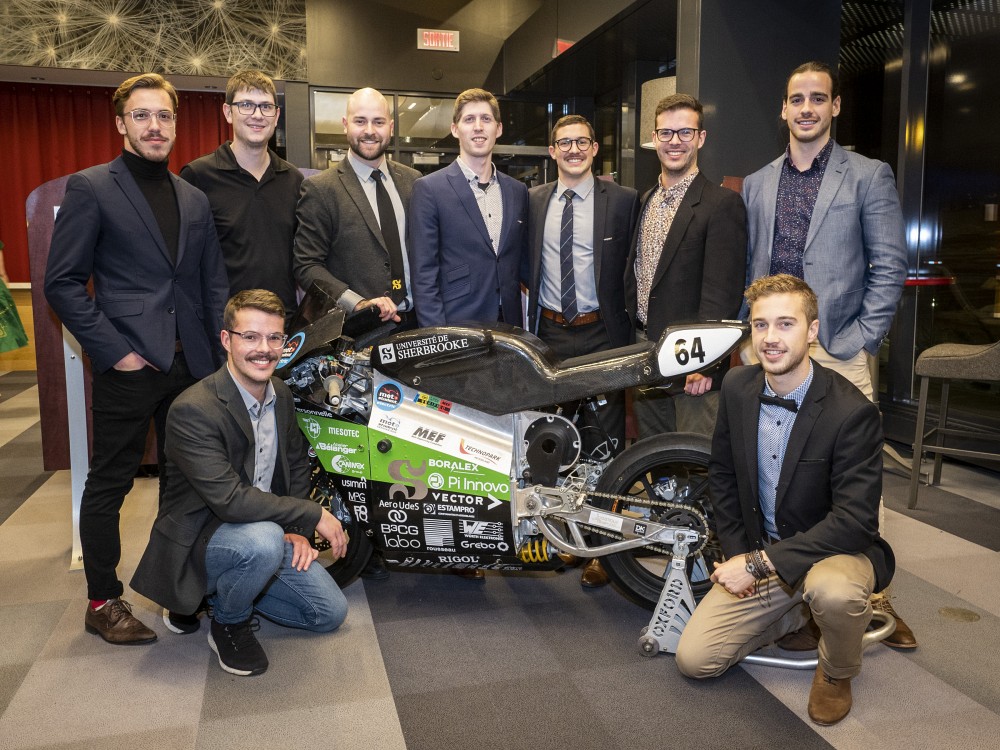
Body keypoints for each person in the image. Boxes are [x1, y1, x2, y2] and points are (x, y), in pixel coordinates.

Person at [44, 73, 228, 646]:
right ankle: (103, 600)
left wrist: (219, 354)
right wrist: (115, 352)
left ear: (176, 122)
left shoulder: (193, 197)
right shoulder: (91, 187)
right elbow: (63, 283)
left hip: (190, 368)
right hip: (128, 367)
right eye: (142, 115)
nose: (155, 126)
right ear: (121, 123)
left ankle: (178, 589)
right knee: (110, 485)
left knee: (186, 483)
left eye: (164, 116)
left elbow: (211, 284)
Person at [741, 60, 914, 649]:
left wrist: (861, 337)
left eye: (818, 98)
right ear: (783, 109)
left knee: (857, 479)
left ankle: (872, 596)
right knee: (779, 469)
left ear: (835, 107)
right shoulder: (760, 181)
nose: (807, 108)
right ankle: (795, 591)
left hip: (838, 347)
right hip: (769, 345)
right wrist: (750, 333)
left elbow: (890, 266)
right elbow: (751, 267)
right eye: (797, 99)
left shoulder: (868, 175)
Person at [675, 274, 893, 727]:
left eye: (786, 324)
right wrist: (739, 555)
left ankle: (835, 669)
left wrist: (758, 565)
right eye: (760, 326)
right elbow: (723, 476)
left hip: (834, 552)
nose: (771, 339)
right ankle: (798, 617)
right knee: (695, 661)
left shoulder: (853, 413)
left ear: (812, 331)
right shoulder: (737, 386)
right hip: (764, 549)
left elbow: (854, 522)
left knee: (832, 593)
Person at [131, 290, 349, 676]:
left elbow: (296, 462)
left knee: (328, 613)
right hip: (203, 537)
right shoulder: (192, 410)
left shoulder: (279, 392)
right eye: (250, 337)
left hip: (261, 526)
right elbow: (230, 501)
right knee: (262, 542)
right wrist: (312, 513)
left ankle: (213, 595)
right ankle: (228, 621)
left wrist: (298, 529)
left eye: (274, 338)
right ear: (226, 340)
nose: (263, 349)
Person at [526, 114, 639, 588]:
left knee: (604, 444)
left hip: (601, 334)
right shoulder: (532, 201)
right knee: (551, 442)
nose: (573, 149)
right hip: (548, 335)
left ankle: (600, 549)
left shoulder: (625, 201)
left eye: (581, 142)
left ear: (595, 150)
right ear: (552, 151)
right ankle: (560, 537)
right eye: (563, 143)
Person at [625, 94, 746, 438]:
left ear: (701, 138)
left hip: (692, 368)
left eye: (685, 133)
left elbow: (722, 295)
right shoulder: (644, 200)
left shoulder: (722, 204)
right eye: (666, 133)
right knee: (652, 460)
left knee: (694, 466)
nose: (674, 142)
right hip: (645, 358)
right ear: (654, 139)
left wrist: (705, 363)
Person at [293, 87, 421, 327]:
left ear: (391, 127)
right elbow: (306, 266)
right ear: (345, 124)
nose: (370, 131)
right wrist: (358, 303)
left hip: (416, 324)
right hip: (357, 330)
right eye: (360, 121)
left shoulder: (414, 182)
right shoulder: (320, 189)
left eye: (379, 122)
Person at [180, 70, 303, 321]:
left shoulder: (294, 180)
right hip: (224, 327)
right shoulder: (198, 176)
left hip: (284, 326)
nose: (257, 115)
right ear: (228, 112)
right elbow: (185, 264)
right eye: (246, 105)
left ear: (276, 115)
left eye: (266, 106)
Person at [408, 88, 528, 327]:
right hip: (457, 324)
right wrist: (437, 338)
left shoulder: (517, 190)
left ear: (499, 128)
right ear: (455, 129)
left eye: (486, 119)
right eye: (469, 119)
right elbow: (424, 274)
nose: (478, 127)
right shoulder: (429, 189)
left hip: (510, 325)